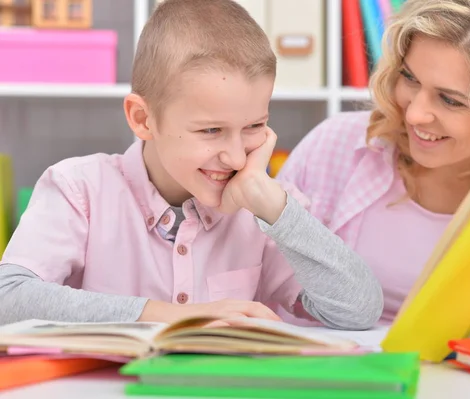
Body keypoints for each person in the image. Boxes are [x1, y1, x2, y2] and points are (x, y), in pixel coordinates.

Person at [0, 0, 384, 329]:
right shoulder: (79, 188)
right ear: (142, 119)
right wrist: (171, 317)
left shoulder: (265, 211)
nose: (236, 157)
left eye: (254, 126)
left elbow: (358, 311)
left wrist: (276, 209)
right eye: (211, 130)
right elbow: (9, 299)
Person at [276, 0, 470, 325]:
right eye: (410, 79)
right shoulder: (337, 144)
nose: (414, 113)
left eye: (450, 100)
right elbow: (262, 281)